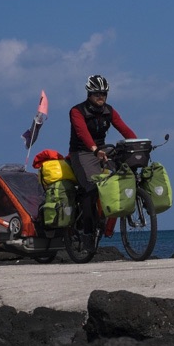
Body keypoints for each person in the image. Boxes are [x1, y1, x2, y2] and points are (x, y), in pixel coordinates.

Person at [68, 75, 137, 248]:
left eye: (104, 94)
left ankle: (106, 222)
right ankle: (87, 232)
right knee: (91, 188)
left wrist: (138, 144)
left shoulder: (109, 111)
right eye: (97, 93)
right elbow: (82, 133)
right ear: (89, 94)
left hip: (102, 150)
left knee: (124, 175)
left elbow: (124, 129)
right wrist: (94, 150)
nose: (101, 97)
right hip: (82, 152)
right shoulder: (77, 111)